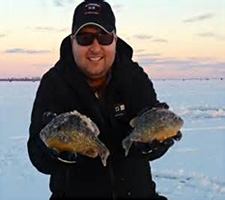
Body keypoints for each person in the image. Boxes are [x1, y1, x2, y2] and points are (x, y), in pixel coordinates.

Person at [27, 0, 182, 199]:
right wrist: (48, 150)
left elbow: (150, 141)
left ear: (115, 39)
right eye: (85, 38)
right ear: (72, 40)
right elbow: (37, 156)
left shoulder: (133, 77)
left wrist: (153, 146)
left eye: (104, 37)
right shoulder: (54, 83)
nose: (95, 47)